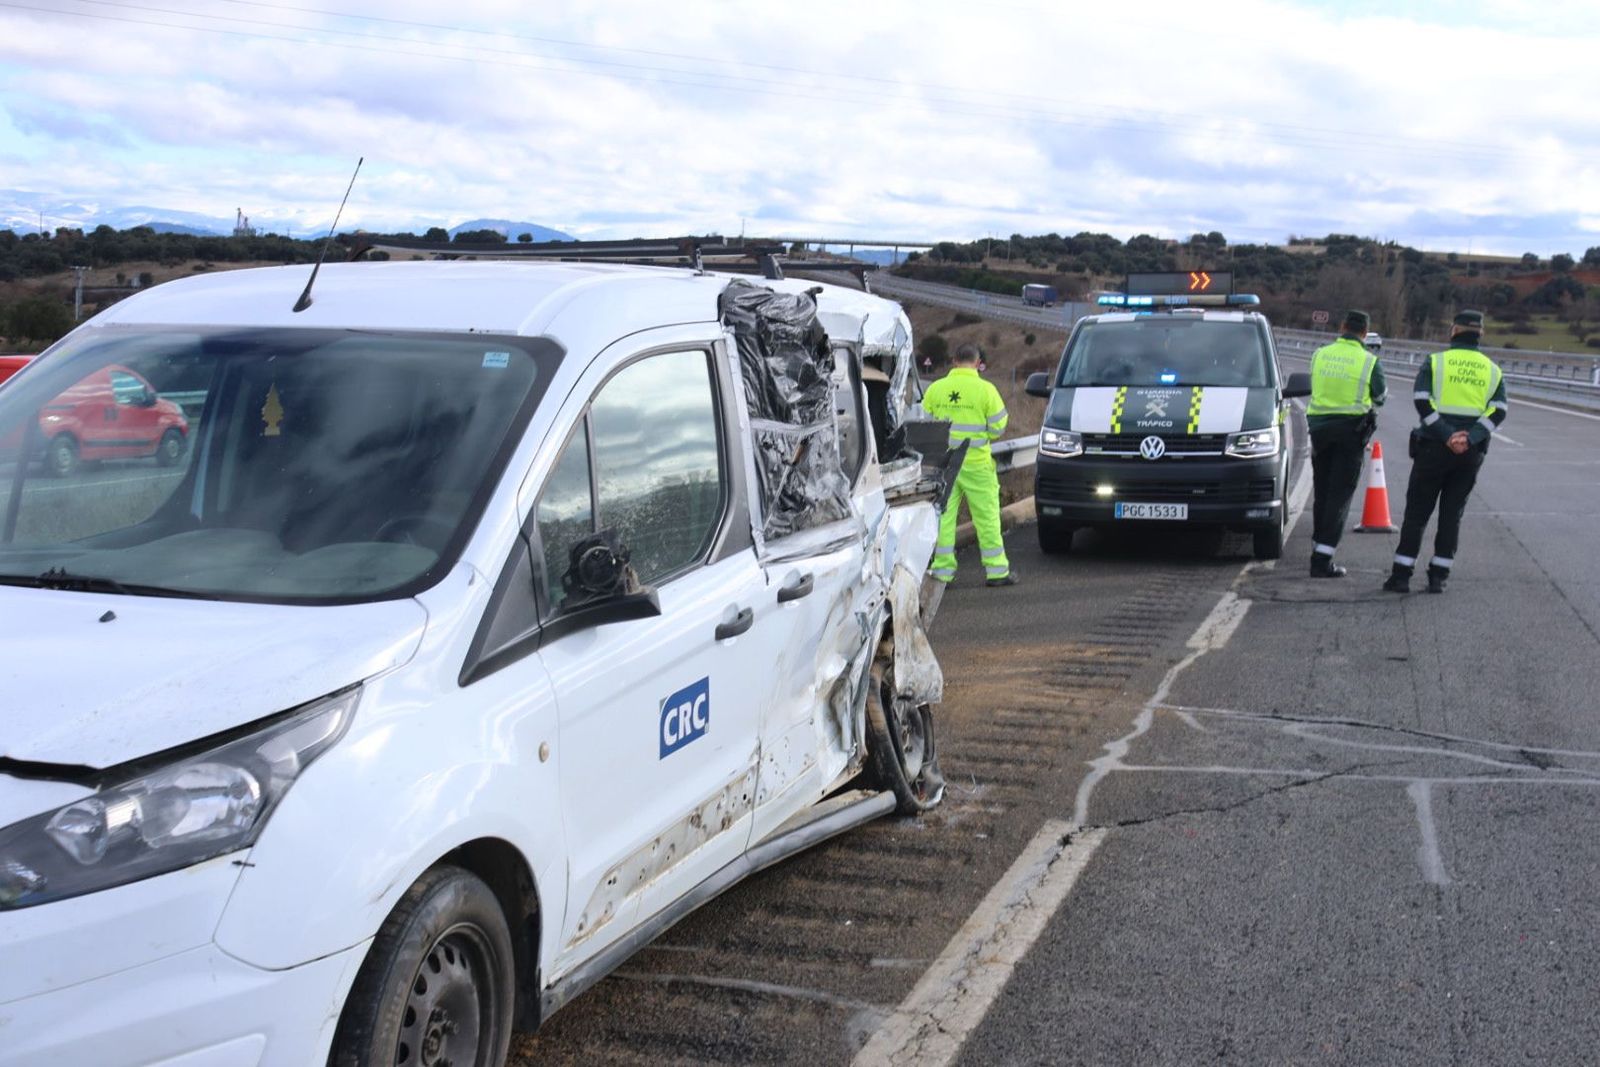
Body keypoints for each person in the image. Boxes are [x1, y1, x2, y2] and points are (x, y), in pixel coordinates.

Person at [1383, 309, 1507, 594]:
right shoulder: (1492, 369)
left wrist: (1446, 434)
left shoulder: (1436, 362)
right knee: (1452, 514)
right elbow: (1499, 411)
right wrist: (1471, 437)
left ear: (1454, 330)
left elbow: (1421, 400)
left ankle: (1401, 575)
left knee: (1417, 512)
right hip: (1469, 454)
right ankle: (1438, 576)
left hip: (1433, 449)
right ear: (1480, 334)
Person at [925, 343, 1014, 586]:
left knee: (943, 518)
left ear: (954, 361)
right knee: (987, 518)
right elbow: (998, 428)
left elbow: (925, 422)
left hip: (944, 465)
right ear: (977, 364)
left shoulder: (936, 388)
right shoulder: (986, 390)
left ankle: (942, 572)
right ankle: (996, 572)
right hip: (976, 464)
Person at [1306, 309, 1387, 577]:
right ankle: (1322, 560)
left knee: (1323, 491)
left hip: (1319, 430)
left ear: (1342, 326)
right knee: (1340, 496)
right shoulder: (1369, 361)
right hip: (1350, 433)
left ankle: (1319, 544)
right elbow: (1381, 396)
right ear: (1365, 332)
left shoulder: (1320, 354)